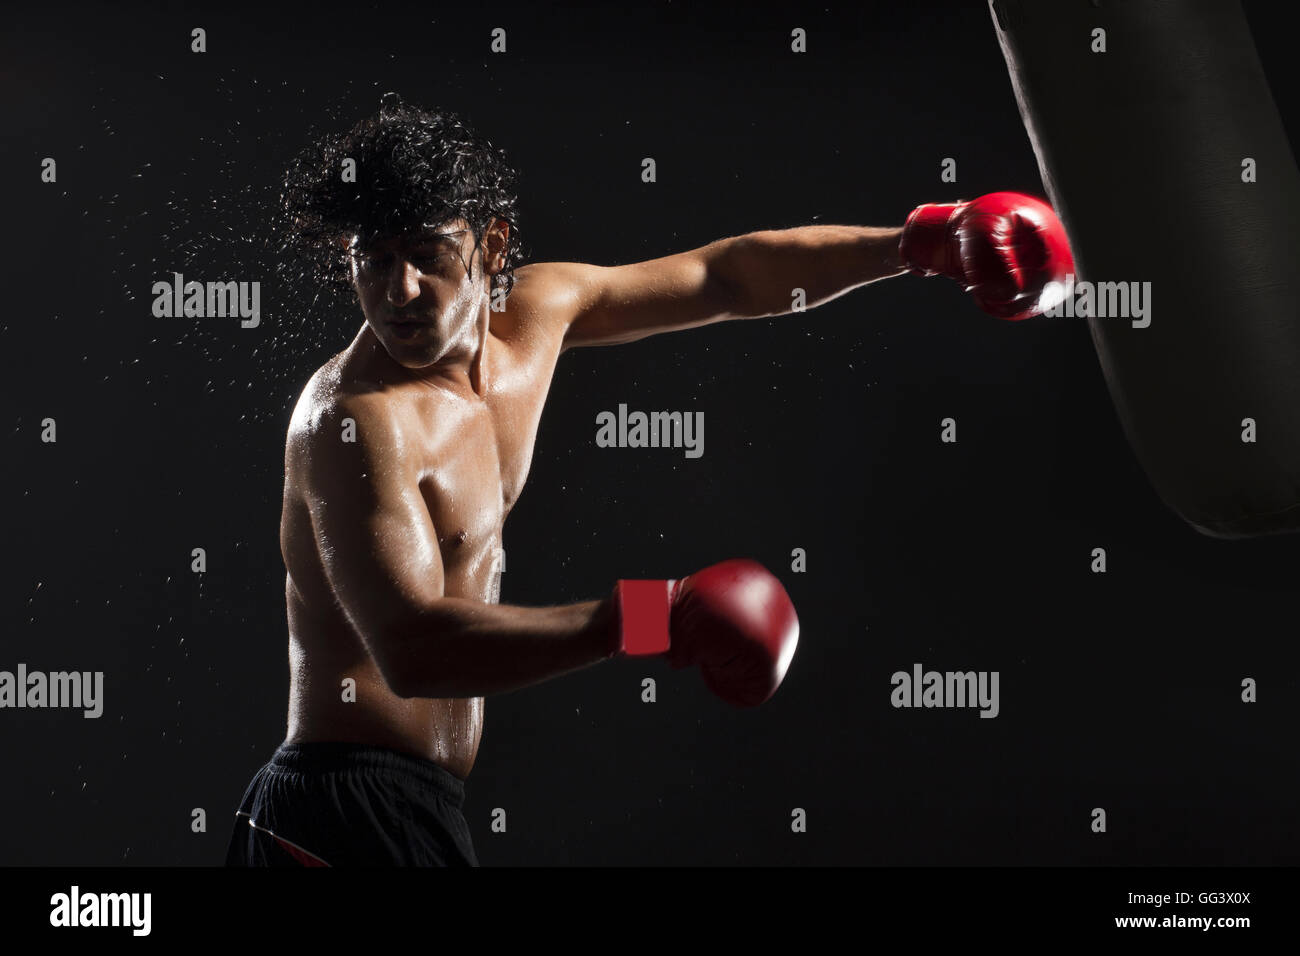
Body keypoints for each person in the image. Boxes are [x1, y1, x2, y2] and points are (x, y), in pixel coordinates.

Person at [225, 95, 1072, 867]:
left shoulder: (537, 317)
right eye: (372, 259)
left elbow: (724, 277)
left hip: (415, 811)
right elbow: (413, 650)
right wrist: (654, 618)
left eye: (426, 256)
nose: (400, 290)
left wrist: (921, 243)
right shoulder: (355, 420)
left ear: (490, 246)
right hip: (337, 815)